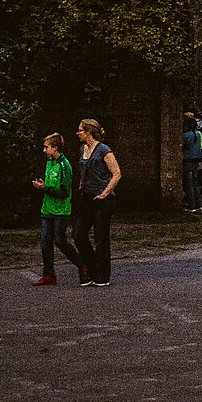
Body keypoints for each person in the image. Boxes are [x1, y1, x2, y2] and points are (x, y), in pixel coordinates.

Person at [74, 118, 121, 287]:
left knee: (101, 237)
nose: (77, 133)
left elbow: (116, 173)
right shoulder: (82, 149)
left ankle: (103, 275)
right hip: (87, 197)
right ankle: (92, 267)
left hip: (103, 198)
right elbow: (84, 170)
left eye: (80, 130)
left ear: (89, 132)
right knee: (78, 233)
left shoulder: (103, 150)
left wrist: (105, 193)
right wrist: (82, 184)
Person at [30, 132, 81, 286]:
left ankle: (82, 263)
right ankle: (48, 274)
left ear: (55, 148)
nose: (44, 150)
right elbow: (51, 183)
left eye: (46, 147)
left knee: (60, 240)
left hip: (60, 210)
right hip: (47, 208)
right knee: (45, 242)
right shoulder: (50, 163)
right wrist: (43, 185)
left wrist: (46, 188)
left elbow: (64, 191)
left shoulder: (65, 166)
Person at [179, 110, 202, 214]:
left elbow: (183, 147)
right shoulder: (198, 134)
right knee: (195, 182)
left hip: (188, 160)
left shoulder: (186, 136)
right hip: (196, 160)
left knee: (188, 183)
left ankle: (191, 204)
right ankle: (198, 203)